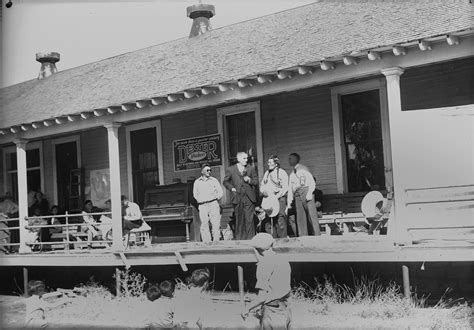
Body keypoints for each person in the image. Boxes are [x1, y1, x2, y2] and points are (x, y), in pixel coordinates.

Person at [242, 233, 292, 330]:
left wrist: (247, 308)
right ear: (272, 245)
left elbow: (262, 297)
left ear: (256, 250)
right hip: (286, 309)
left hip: (272, 311)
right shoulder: (283, 259)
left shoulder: (264, 265)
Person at [223, 152, 259, 240]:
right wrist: (232, 188)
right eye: (244, 158)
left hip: (249, 198)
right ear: (238, 159)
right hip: (237, 197)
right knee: (239, 219)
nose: (246, 160)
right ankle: (240, 240)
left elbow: (256, 181)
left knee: (249, 219)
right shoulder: (231, 169)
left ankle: (251, 240)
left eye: (247, 158)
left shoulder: (251, 168)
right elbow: (225, 182)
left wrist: (250, 180)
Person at [287, 153, 320, 236]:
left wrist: (309, 193)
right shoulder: (292, 173)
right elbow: (291, 188)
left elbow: (311, 182)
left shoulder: (304, 169)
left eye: (290, 158)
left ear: (296, 159)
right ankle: (303, 237)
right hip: (297, 194)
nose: (289, 160)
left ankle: (317, 236)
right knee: (300, 218)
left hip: (306, 191)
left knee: (312, 216)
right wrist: (289, 202)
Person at [193, 164, 224, 243]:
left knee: (215, 223)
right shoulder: (197, 182)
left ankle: (216, 240)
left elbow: (220, 192)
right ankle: (207, 241)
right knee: (204, 223)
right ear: (202, 171)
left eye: (210, 170)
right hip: (203, 205)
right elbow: (195, 194)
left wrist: (215, 198)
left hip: (213, 203)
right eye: (207, 170)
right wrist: (201, 200)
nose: (209, 172)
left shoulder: (214, 180)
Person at [260, 155, 289, 238]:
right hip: (269, 200)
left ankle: (283, 241)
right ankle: (273, 240)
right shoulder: (267, 173)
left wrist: (277, 196)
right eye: (268, 162)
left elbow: (285, 187)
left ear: (276, 164)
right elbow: (262, 185)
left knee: (280, 220)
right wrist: (263, 191)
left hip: (279, 198)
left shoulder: (282, 173)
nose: (268, 164)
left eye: (270, 162)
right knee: (269, 221)